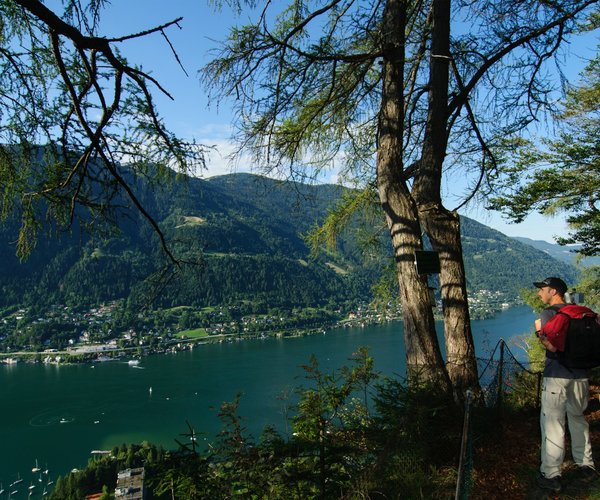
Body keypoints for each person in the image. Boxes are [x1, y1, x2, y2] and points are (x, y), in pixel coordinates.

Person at [533, 277, 596, 493]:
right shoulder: (579, 312)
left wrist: (538, 333)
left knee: (553, 423)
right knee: (578, 419)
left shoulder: (550, 314)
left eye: (542, 290)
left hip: (557, 375)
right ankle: (586, 465)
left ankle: (551, 474)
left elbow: (551, 347)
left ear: (553, 291)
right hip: (580, 375)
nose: (539, 293)